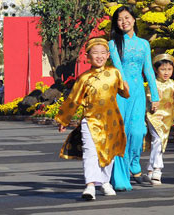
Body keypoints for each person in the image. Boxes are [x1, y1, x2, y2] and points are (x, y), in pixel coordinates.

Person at [55, 38, 130, 201]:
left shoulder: (114, 73)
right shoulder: (84, 78)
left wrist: (126, 87)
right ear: (87, 56)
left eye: (103, 52)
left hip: (111, 121)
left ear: (108, 55)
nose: (99, 56)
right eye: (95, 53)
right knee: (90, 153)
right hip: (90, 121)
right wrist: (64, 120)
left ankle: (105, 182)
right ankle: (90, 185)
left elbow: (124, 92)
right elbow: (73, 100)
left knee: (109, 153)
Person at [108, 6, 160, 191]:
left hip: (138, 92)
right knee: (122, 132)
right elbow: (117, 66)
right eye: (120, 19)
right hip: (121, 93)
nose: (124, 22)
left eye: (127, 17)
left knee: (138, 132)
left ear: (134, 19)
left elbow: (148, 71)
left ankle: (134, 164)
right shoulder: (113, 43)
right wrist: (123, 83)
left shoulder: (144, 44)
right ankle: (122, 176)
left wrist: (154, 96)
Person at [143, 54, 174, 185]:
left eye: (169, 69)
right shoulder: (152, 83)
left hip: (167, 117)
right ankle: (157, 169)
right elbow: (148, 98)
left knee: (161, 141)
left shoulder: (173, 85)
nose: (166, 72)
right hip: (154, 116)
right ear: (156, 70)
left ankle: (150, 170)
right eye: (163, 69)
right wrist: (152, 100)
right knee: (158, 139)